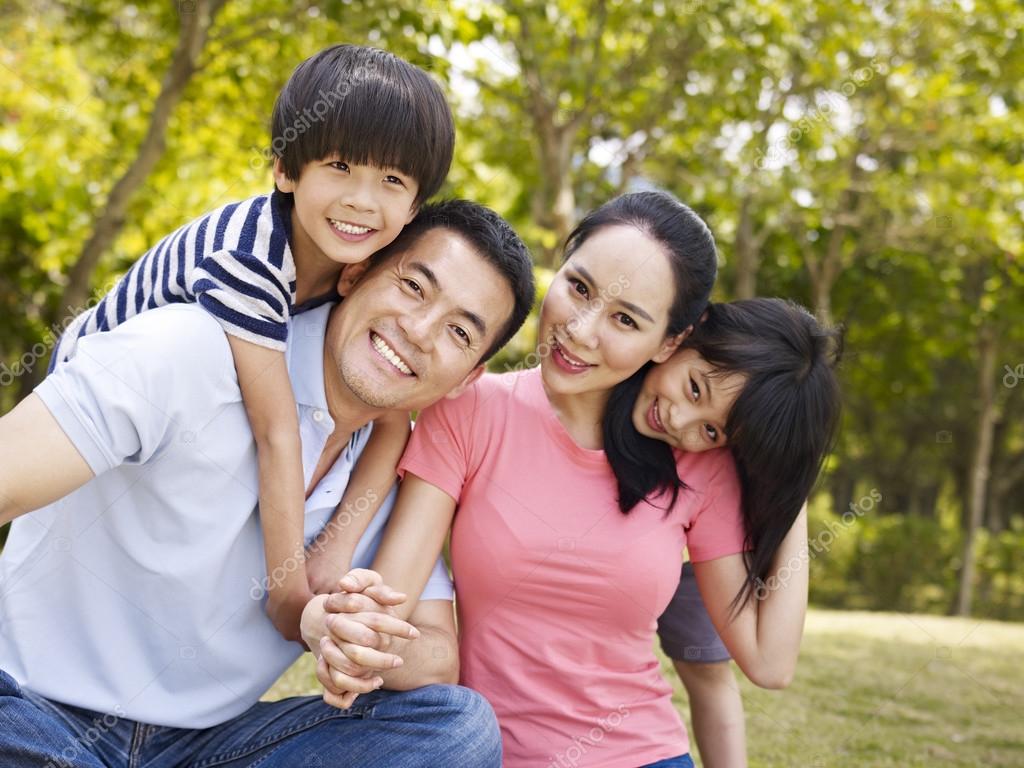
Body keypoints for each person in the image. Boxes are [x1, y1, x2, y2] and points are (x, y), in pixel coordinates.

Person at [306, 192, 841, 767]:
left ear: (671, 341)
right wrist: (352, 637)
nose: (581, 332)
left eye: (626, 319)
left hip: (645, 754)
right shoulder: (469, 410)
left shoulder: (700, 462)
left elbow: (769, 662)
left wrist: (789, 481)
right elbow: (392, 599)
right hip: (486, 752)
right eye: (579, 288)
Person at [0, 200, 536, 767]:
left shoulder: (386, 471)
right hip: (35, 713)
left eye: (459, 331)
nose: (420, 331)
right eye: (413, 287)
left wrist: (356, 638)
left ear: (469, 377)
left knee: (460, 731)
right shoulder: (192, 350)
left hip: (205, 750)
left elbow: (437, 656)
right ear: (355, 274)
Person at [46, 44, 456, 641]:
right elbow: (276, 431)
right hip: (88, 418)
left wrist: (335, 550)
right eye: (340, 167)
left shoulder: (349, 272)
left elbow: (392, 420)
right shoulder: (252, 258)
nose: (362, 200)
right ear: (287, 169)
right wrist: (291, 598)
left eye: (391, 180)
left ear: (415, 205)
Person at [624, 297, 843, 768]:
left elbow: (772, 665)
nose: (680, 422)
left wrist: (791, 491)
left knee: (706, 671)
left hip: (688, 549)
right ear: (683, 336)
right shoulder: (616, 360)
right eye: (695, 389)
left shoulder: (713, 475)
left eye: (711, 432)